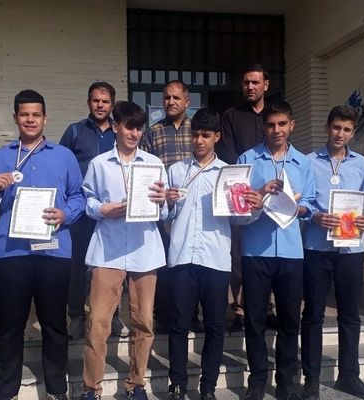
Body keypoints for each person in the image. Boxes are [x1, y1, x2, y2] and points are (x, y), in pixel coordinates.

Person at [0, 89, 85, 400]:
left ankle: (56, 390)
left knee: (54, 324)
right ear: (15, 118)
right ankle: (6, 390)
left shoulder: (63, 156)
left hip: (54, 250)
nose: (30, 119)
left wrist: (65, 213)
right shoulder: (1, 157)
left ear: (45, 118)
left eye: (36, 114)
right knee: (10, 325)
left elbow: (79, 196)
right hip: (12, 252)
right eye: (24, 114)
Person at [165, 108, 263, 400]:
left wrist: (252, 207)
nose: (199, 140)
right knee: (179, 326)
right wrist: (166, 203)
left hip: (216, 258)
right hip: (182, 256)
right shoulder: (176, 171)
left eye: (206, 135)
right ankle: (177, 385)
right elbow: (165, 216)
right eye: (195, 135)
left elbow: (238, 219)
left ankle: (208, 387)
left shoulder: (228, 174)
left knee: (215, 326)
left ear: (217, 137)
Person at [81, 101, 167, 400]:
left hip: (145, 249)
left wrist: (163, 202)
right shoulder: (99, 164)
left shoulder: (154, 164)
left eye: (138, 128)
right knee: (98, 323)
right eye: (129, 127)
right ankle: (91, 388)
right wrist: (103, 209)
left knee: (143, 322)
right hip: (108, 250)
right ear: (115, 126)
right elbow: (88, 201)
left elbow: (165, 212)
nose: (134, 133)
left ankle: (136, 384)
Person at [237, 102, 315, 400]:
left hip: (291, 253)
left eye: (282, 124)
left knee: (290, 321)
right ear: (263, 127)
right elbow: (237, 205)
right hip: (256, 251)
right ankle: (257, 382)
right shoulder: (248, 159)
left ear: (292, 125)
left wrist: (297, 205)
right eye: (271, 125)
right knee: (255, 320)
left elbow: (310, 205)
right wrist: (259, 195)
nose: (276, 130)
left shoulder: (303, 163)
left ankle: (286, 382)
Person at [300, 105, 364, 400]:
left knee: (350, 314)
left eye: (346, 129)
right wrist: (315, 217)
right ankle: (311, 380)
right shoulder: (309, 162)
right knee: (313, 315)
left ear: (353, 133)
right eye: (336, 127)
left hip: (351, 249)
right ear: (327, 127)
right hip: (317, 248)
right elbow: (302, 202)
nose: (340, 134)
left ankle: (349, 376)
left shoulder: (361, 164)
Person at [60, 82, 129, 340]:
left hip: (113, 211)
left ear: (112, 104)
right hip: (82, 210)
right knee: (78, 265)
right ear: (88, 102)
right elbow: (63, 167)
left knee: (112, 265)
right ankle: (77, 316)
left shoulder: (119, 131)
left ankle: (113, 315)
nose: (100, 105)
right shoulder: (75, 131)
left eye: (105, 101)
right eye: (95, 100)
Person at [140, 80, 202, 334]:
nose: (171, 102)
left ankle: (192, 316)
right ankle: (165, 316)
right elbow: (144, 169)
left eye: (176, 97)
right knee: (164, 266)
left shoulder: (196, 131)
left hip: (191, 210)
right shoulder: (153, 132)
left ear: (187, 101)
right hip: (162, 209)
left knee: (191, 265)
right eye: (167, 97)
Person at [215, 64, 271, 332]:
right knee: (238, 253)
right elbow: (228, 154)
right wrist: (244, 189)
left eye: (255, 82)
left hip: (270, 194)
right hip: (240, 194)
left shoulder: (274, 114)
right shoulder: (231, 116)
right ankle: (238, 309)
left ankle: (267, 308)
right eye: (246, 82)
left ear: (265, 85)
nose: (250, 87)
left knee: (266, 252)